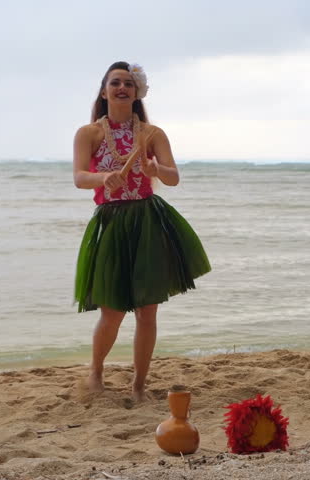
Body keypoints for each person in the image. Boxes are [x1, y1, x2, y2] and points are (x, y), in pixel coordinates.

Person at [72, 61, 211, 402]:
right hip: (112, 222)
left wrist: (154, 168)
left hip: (147, 222)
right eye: (115, 82)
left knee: (148, 310)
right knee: (112, 310)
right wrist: (104, 177)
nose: (122, 88)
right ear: (104, 91)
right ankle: (96, 371)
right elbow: (78, 178)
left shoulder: (151, 134)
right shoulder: (88, 133)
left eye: (128, 84)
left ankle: (138, 385)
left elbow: (173, 177)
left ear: (137, 93)